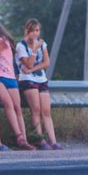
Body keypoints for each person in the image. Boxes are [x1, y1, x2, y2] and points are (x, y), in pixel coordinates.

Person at [0, 21, 34, 150]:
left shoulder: (1, 40)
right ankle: (19, 136)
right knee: (8, 103)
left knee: (17, 108)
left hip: (9, 77)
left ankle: (24, 140)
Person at [16, 19, 64, 150]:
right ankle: (40, 139)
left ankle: (53, 141)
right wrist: (34, 50)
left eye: (37, 30)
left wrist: (32, 69)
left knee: (46, 111)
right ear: (27, 31)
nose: (35, 33)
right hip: (27, 80)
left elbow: (46, 62)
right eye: (32, 31)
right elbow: (28, 63)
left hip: (40, 78)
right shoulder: (21, 46)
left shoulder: (42, 44)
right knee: (35, 110)